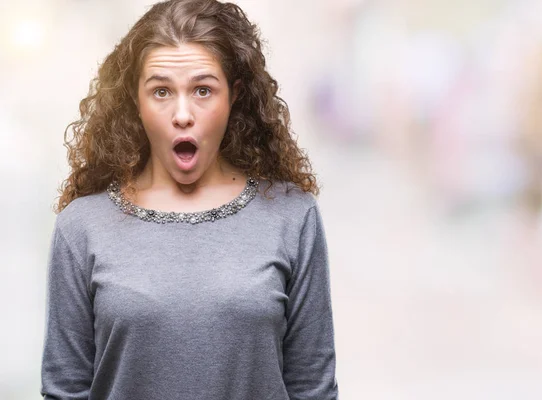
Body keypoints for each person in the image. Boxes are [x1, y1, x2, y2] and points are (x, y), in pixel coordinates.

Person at [40, 0, 339, 399]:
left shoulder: (292, 217)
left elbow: (313, 390)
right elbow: (64, 390)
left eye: (203, 90)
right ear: (135, 101)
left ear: (233, 97)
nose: (183, 114)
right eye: (161, 91)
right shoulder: (81, 227)